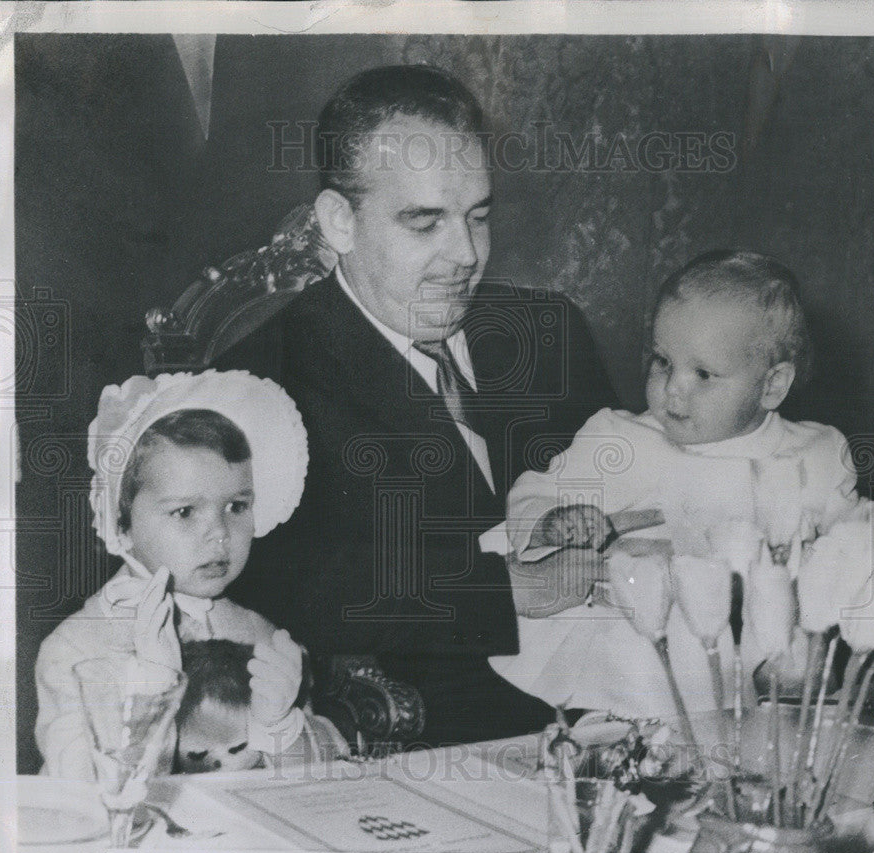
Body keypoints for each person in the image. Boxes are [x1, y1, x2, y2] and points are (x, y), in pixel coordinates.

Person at [218, 64, 617, 746]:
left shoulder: (550, 332)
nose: (465, 254)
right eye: (423, 222)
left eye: (478, 216)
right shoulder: (260, 380)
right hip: (429, 746)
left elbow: (630, 491)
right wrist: (507, 591)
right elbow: (283, 586)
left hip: (618, 711)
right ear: (340, 222)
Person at [494, 251, 874, 718]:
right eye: (662, 362)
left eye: (703, 374)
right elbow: (535, 490)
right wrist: (554, 520)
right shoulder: (622, 438)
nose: (672, 388)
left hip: (761, 652)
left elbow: (852, 517)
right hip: (634, 649)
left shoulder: (812, 452)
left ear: (772, 386)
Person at [34, 370, 320, 779]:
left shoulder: (259, 635)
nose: (220, 534)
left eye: (237, 506)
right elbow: (86, 794)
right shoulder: (78, 649)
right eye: (185, 512)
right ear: (122, 523)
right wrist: (152, 689)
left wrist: (280, 728)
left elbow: (313, 788)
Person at [176, 639, 349, 773]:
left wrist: (280, 727)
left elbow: (309, 764)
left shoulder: (271, 751)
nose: (221, 763)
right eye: (196, 755)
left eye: (237, 748)